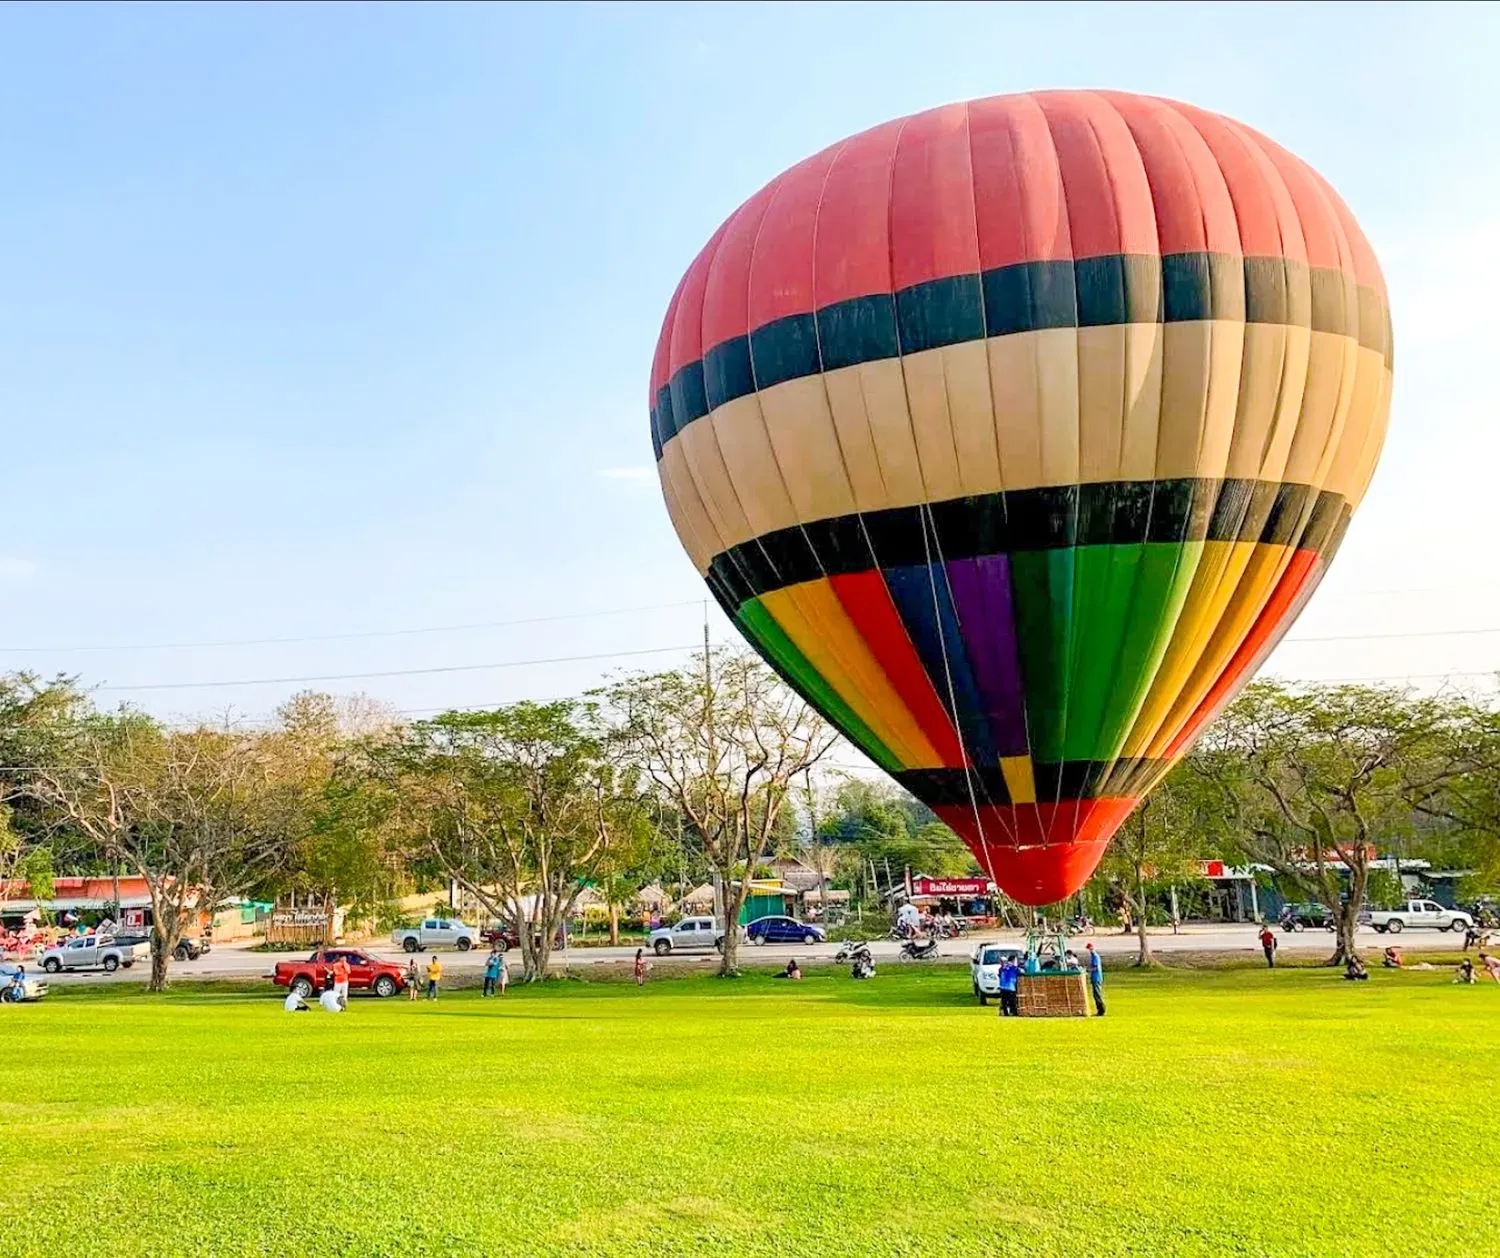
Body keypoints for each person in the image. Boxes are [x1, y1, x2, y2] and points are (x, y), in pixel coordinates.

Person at [1084, 942, 1105, 1016]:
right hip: (1094, 977)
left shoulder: (1095, 956)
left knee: (1097, 994)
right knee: (1095, 994)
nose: (1089, 950)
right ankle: (1099, 1010)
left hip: (1097, 977)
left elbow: (1095, 968)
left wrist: (1088, 970)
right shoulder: (1093, 956)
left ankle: (1101, 1010)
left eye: (1090, 949)